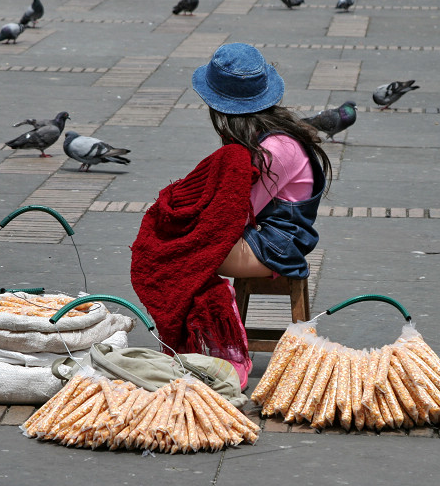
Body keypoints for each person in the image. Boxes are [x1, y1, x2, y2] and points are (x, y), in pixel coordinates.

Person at [130, 43, 331, 390]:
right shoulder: (258, 139)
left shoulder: (274, 149)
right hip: (259, 234)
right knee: (177, 248)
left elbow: (233, 216)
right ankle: (205, 338)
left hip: (276, 245)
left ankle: (227, 349)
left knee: (188, 258)